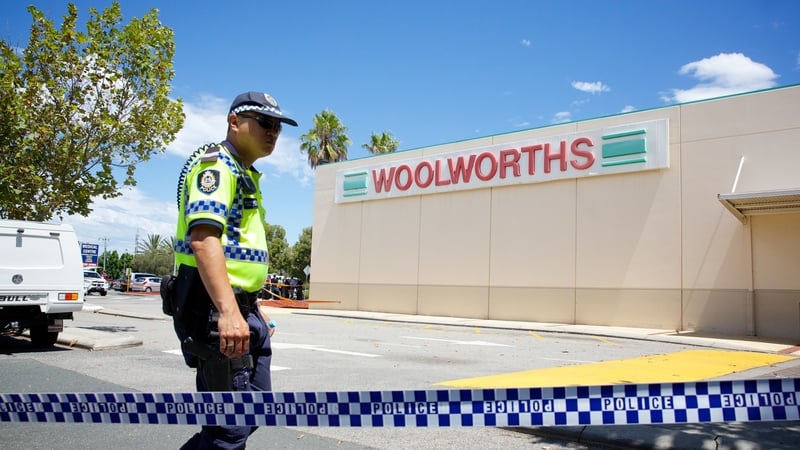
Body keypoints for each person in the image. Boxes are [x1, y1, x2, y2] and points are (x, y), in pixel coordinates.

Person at [173, 91, 296, 449]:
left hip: (243, 310)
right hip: (214, 311)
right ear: (234, 122)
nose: (273, 132)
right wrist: (229, 311)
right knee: (228, 430)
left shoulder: (243, 171)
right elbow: (203, 239)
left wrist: (249, 308)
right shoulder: (217, 167)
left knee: (253, 412)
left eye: (277, 127)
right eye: (264, 123)